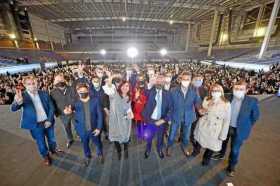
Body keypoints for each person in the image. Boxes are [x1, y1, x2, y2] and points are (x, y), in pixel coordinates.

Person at [212, 80, 260, 177]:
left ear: (246, 90)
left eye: (241, 89)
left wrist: (246, 125)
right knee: (223, 142)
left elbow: (255, 117)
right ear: (233, 89)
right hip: (226, 127)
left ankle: (231, 166)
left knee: (235, 150)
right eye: (236, 88)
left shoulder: (252, 101)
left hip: (239, 130)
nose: (238, 91)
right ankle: (221, 154)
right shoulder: (227, 97)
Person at [10, 75, 60, 166]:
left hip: (48, 122)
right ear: (25, 85)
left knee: (52, 139)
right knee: (41, 143)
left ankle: (53, 150)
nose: (32, 85)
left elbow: (51, 107)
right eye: (29, 84)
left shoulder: (44, 93)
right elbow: (13, 108)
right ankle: (45, 156)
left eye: (34, 83)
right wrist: (18, 102)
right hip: (35, 126)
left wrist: (49, 120)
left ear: (37, 83)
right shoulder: (22, 96)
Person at [64, 83, 104, 166]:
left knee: (97, 142)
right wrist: (67, 112)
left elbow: (100, 115)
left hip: (94, 129)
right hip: (82, 130)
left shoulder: (95, 100)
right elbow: (70, 111)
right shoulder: (75, 102)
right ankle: (87, 156)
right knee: (85, 144)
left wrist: (99, 128)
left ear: (88, 90)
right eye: (80, 92)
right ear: (77, 92)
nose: (83, 93)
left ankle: (100, 154)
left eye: (84, 91)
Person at [193, 84, 231, 166]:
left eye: (217, 91)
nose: (215, 92)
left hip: (215, 128)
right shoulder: (207, 99)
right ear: (210, 91)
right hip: (204, 125)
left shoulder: (226, 103)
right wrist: (205, 109)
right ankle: (196, 151)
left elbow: (227, 120)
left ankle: (206, 160)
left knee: (211, 146)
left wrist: (223, 134)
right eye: (213, 90)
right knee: (199, 141)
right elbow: (202, 112)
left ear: (221, 92)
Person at [166, 71, 202, 157]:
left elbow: (197, 101)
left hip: (188, 116)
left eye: (187, 79)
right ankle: (169, 146)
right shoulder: (173, 90)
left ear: (190, 80)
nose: (185, 81)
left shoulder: (194, 90)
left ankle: (185, 146)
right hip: (176, 115)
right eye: (184, 79)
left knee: (186, 135)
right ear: (180, 79)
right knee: (172, 134)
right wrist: (169, 118)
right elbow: (170, 105)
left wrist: (200, 108)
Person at [103, 72, 134, 160]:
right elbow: (108, 86)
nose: (125, 87)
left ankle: (126, 150)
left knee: (125, 137)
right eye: (123, 85)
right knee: (116, 138)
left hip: (125, 121)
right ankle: (119, 152)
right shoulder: (114, 93)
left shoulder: (129, 97)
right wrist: (111, 76)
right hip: (115, 121)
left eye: (127, 86)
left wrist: (130, 113)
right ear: (120, 86)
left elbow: (128, 108)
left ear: (129, 88)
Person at [142, 75, 171, 159]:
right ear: (155, 82)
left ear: (164, 83)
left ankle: (159, 149)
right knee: (149, 137)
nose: (159, 83)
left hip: (161, 120)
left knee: (160, 137)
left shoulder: (168, 94)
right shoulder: (148, 92)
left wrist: (164, 120)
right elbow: (141, 101)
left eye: (161, 81)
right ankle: (148, 149)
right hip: (150, 120)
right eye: (157, 81)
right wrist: (145, 118)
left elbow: (171, 109)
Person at [50, 74, 75, 148]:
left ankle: (81, 136)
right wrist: (58, 113)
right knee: (66, 127)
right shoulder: (52, 92)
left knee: (77, 126)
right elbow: (53, 104)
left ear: (64, 80)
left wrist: (72, 108)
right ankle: (70, 139)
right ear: (55, 82)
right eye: (57, 80)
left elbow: (76, 100)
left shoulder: (72, 88)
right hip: (62, 115)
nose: (59, 82)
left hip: (74, 113)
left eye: (61, 80)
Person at [190, 74, 208, 156]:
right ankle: (185, 138)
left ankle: (195, 144)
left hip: (199, 114)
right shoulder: (189, 88)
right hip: (190, 112)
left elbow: (206, 101)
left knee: (197, 129)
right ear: (193, 80)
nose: (198, 81)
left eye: (200, 80)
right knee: (188, 127)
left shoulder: (204, 90)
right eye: (196, 79)